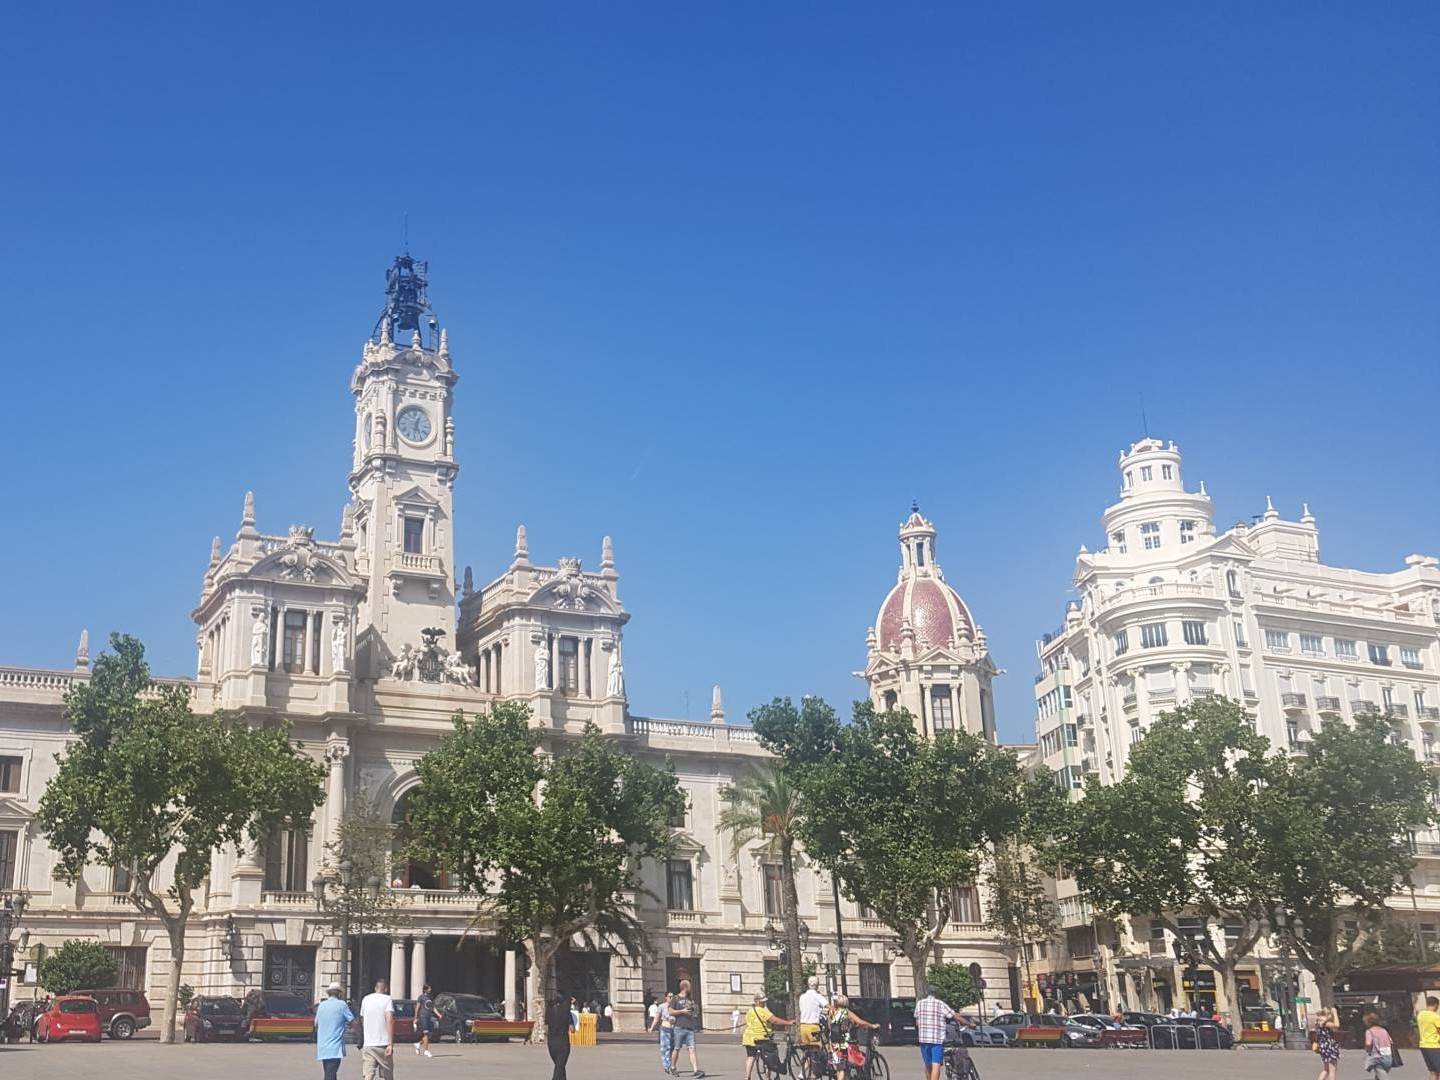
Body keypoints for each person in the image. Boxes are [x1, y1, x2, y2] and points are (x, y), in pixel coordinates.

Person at [822, 994, 878, 1080]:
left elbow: (829, 1026)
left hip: (833, 1042)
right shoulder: (846, 1012)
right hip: (843, 1042)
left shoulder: (831, 1012)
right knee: (843, 1069)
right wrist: (872, 1025)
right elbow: (860, 1022)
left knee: (838, 1068)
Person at [742, 992, 793, 1080]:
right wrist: (788, 1023)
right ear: (757, 1001)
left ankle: (747, 1077)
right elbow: (774, 1020)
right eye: (762, 1001)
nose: (764, 1003)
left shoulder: (750, 1011)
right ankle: (768, 1077)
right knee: (769, 1057)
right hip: (762, 1038)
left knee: (751, 1056)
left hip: (749, 1038)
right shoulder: (763, 1011)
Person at [914, 987, 957, 1080]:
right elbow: (954, 1015)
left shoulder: (919, 1003)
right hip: (936, 1040)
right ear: (937, 994)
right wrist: (969, 1024)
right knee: (936, 1065)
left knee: (928, 1065)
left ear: (927, 993)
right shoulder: (940, 1004)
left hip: (923, 1039)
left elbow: (917, 1022)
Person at [315, 982, 355, 1080]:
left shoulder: (321, 1006)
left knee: (329, 1072)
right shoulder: (342, 1005)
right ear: (339, 994)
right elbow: (352, 1021)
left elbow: (316, 1024)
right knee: (330, 1075)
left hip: (323, 1046)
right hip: (335, 1047)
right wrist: (359, 1036)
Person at [359, 978, 395, 1080]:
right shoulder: (387, 999)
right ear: (386, 989)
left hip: (368, 1043)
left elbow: (362, 1018)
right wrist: (390, 1044)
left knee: (368, 1073)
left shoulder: (365, 999)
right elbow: (389, 1020)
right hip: (382, 1043)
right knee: (387, 1075)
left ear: (375, 988)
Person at [669, 978, 704, 1077]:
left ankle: (695, 1070)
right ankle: (673, 1067)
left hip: (689, 1028)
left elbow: (694, 1012)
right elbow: (670, 1011)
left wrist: (693, 1013)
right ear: (685, 987)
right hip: (679, 1027)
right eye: (689, 986)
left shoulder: (690, 999)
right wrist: (682, 1011)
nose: (691, 988)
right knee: (677, 1048)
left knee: (692, 1049)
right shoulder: (675, 998)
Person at [546, 993, 576, 1080]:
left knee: (559, 1066)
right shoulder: (566, 1012)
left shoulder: (549, 1011)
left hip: (551, 1042)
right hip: (563, 1042)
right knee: (560, 1066)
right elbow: (572, 1029)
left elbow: (546, 1027)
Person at [797, 975, 828, 1048]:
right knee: (817, 1048)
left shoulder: (802, 997)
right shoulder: (817, 996)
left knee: (807, 1049)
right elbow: (828, 1006)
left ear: (808, 984)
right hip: (813, 1027)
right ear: (817, 985)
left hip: (803, 1026)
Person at [1313, 1006, 1341, 1080]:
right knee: (1332, 1070)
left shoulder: (1319, 1022)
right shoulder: (1325, 1023)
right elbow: (1337, 1025)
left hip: (1324, 1047)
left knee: (1326, 1069)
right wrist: (1335, 1013)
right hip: (1329, 1047)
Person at [1364, 1012, 1395, 1078]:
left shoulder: (1369, 1031)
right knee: (1379, 1076)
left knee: (1383, 1077)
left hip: (1378, 1058)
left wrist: (1368, 1050)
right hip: (1389, 1057)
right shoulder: (1384, 1030)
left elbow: (1368, 1043)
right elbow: (1391, 1042)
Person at [413, 983, 440, 1057]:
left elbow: (433, 1008)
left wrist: (439, 1014)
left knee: (429, 1035)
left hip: (429, 1017)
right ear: (425, 989)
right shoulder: (421, 997)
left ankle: (418, 1044)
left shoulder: (430, 997)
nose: (430, 990)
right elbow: (417, 1008)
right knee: (426, 1033)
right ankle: (426, 1051)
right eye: (429, 988)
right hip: (423, 1017)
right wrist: (416, 1018)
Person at [1418, 996, 1440, 1080]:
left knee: (1433, 1072)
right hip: (1434, 1046)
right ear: (1436, 1005)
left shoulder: (1420, 1015)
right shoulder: (1435, 1017)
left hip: (1423, 1045)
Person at [655, 992, 675, 1073]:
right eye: (670, 997)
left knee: (673, 1048)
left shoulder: (676, 1006)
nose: (671, 998)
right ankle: (666, 1065)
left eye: (672, 996)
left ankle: (670, 1064)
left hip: (674, 1029)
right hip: (664, 1028)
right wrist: (652, 1027)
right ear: (666, 997)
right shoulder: (662, 1006)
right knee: (665, 1048)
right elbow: (657, 1018)